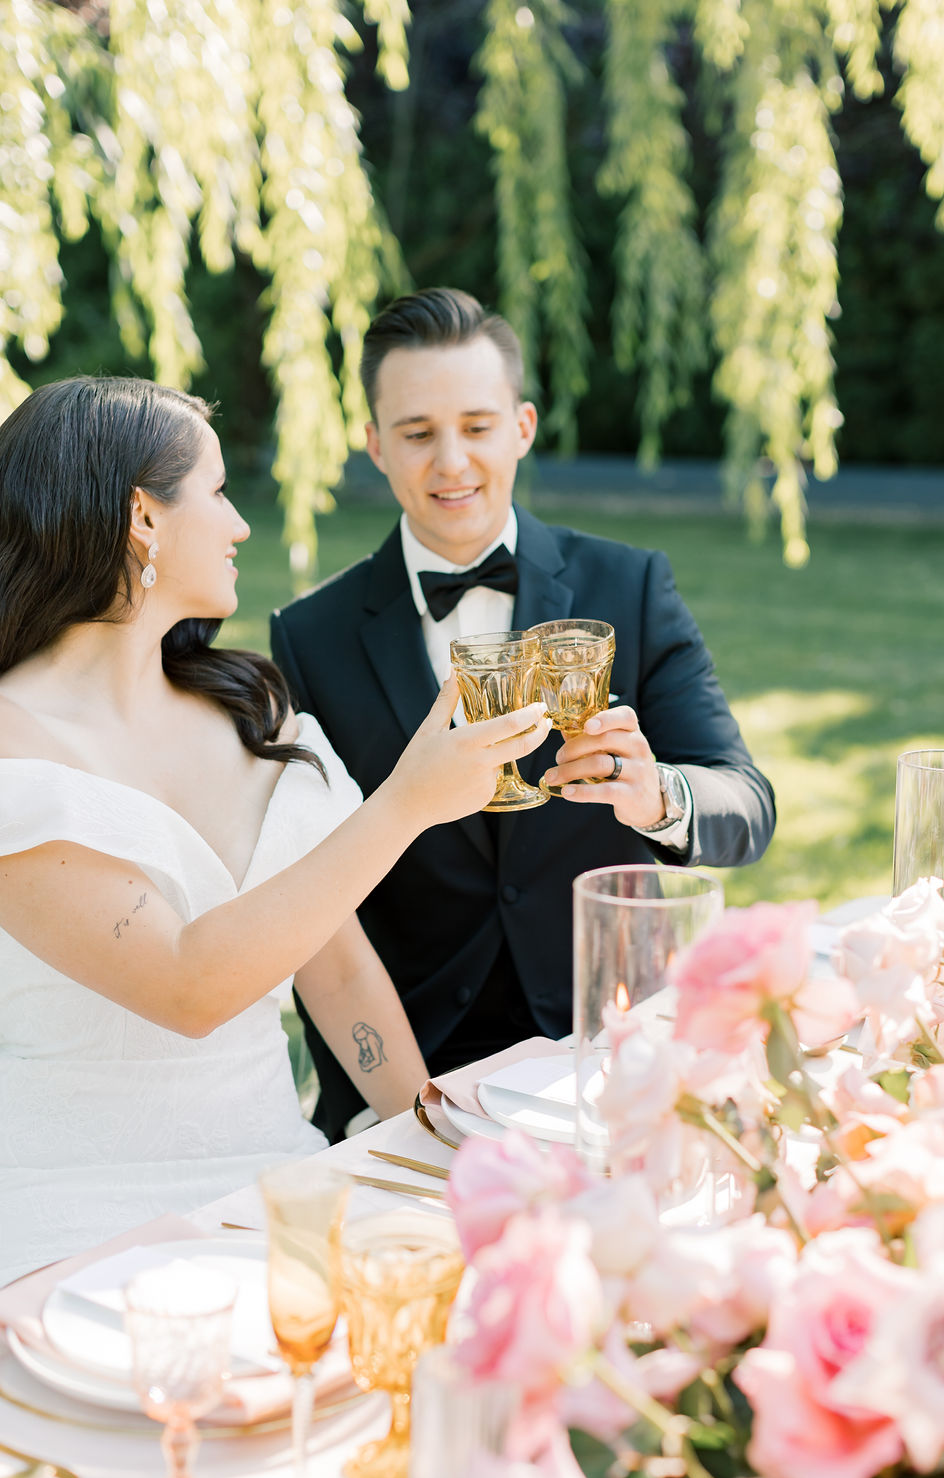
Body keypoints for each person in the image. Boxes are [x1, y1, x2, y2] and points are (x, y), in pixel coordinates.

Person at [0, 375, 550, 1285]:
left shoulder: (246, 706)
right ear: (144, 518)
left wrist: (430, 1139)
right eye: (216, 493)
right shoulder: (13, 746)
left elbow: (333, 964)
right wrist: (407, 802)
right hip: (71, 1215)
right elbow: (188, 986)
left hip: (273, 1180)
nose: (239, 524)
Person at [271, 288, 776, 1140]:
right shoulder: (311, 638)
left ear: (523, 427)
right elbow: (316, 904)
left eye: (476, 426)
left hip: (618, 1054)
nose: (452, 463)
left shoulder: (632, 588)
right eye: (418, 433)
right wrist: (407, 1106)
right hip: (416, 1078)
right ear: (374, 446)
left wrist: (657, 798)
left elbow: (747, 811)